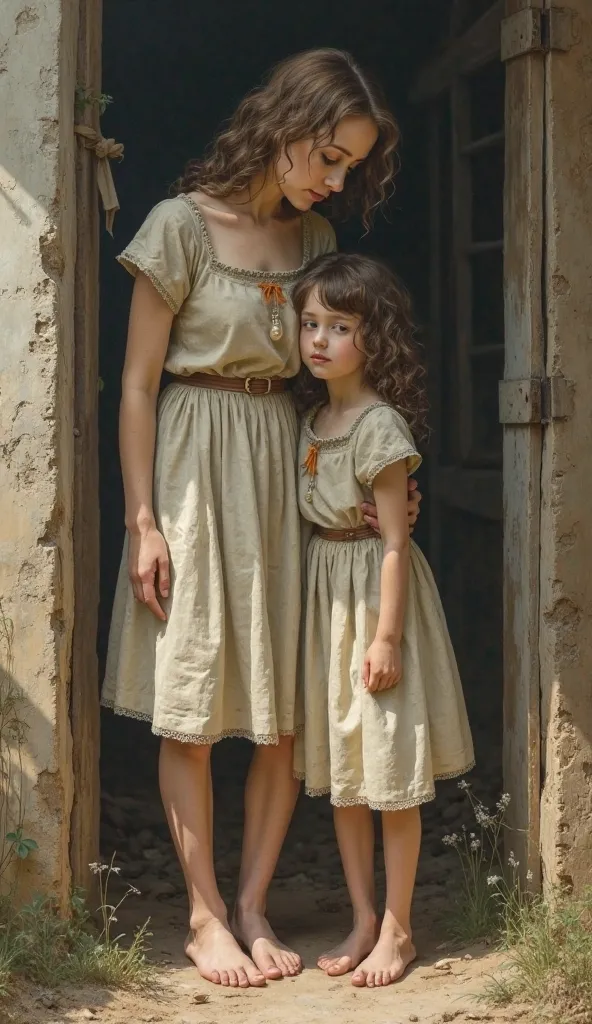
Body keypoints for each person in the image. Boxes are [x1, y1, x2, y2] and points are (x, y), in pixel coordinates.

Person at [101, 48, 422, 990]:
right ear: (283, 127)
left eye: (349, 166)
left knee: (282, 713)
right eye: (328, 154)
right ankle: (203, 916)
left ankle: (250, 902)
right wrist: (142, 521)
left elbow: (340, 363)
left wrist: (361, 469)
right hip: (195, 459)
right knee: (193, 706)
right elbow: (134, 383)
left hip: (285, 462)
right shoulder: (179, 226)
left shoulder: (314, 237)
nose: (334, 179)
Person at [292, 252, 474, 989]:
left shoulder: (378, 425)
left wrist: (387, 637)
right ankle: (363, 915)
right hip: (326, 600)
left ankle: (399, 926)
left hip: (373, 599)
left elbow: (397, 540)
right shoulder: (312, 419)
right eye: (310, 323)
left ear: (376, 337)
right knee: (347, 773)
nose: (320, 339)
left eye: (340, 326)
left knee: (389, 766)